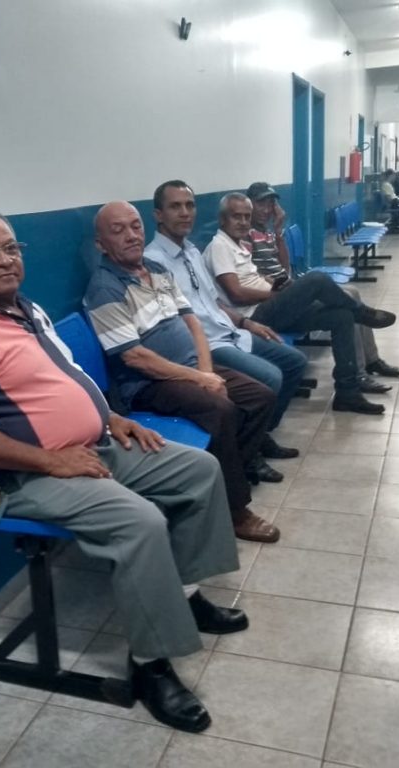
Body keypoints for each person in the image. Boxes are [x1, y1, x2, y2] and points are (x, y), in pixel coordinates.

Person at [0, 208, 248, 733]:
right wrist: (51, 460)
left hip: (91, 446)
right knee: (141, 521)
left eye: (10, 248)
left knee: (199, 470)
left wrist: (111, 417)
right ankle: (151, 667)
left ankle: (186, 596)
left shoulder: (25, 310)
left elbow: (66, 377)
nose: (4, 260)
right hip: (22, 479)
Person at [85, 200, 281, 543]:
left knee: (261, 396)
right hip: (147, 384)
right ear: (101, 244)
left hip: (191, 368)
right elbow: (135, 357)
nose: (131, 235)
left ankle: (223, 477)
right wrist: (199, 379)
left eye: (135, 226)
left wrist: (205, 370)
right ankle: (235, 510)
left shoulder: (156, 268)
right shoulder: (104, 288)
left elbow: (193, 323)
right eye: (118, 231)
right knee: (221, 409)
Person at [143, 179, 307, 471]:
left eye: (189, 205)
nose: (185, 213)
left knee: (294, 362)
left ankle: (259, 435)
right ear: (158, 215)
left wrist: (246, 322)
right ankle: (249, 455)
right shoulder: (153, 262)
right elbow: (173, 322)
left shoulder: (192, 252)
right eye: (175, 206)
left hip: (231, 331)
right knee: (270, 378)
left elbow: (214, 301)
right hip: (207, 344)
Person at [204, 192, 397, 414]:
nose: (243, 222)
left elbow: (253, 278)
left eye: (247, 217)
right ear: (222, 219)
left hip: (269, 305)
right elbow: (236, 293)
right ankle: (362, 312)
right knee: (316, 280)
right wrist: (274, 296)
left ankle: (348, 392)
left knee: (342, 317)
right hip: (254, 316)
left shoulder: (237, 245)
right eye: (236, 216)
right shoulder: (219, 246)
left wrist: (277, 286)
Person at [246, 181, 399, 391]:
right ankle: (359, 372)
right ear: (249, 204)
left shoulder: (268, 233)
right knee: (344, 302)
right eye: (261, 204)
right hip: (273, 300)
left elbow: (284, 270)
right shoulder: (246, 235)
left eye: (270, 204)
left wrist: (278, 232)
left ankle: (371, 360)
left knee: (352, 293)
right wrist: (275, 284)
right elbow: (250, 275)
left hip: (286, 289)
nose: (266, 210)